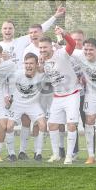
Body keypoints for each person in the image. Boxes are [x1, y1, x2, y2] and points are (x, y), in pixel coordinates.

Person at [38, 28, 82, 164]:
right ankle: (56, 155)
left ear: (51, 46)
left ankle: (69, 156)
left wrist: (64, 34)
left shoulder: (61, 53)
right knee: (51, 125)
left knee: (71, 125)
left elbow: (72, 45)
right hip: (57, 96)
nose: (42, 50)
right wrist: (40, 64)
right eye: (40, 48)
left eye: (45, 47)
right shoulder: (43, 60)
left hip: (72, 94)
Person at [7, 53, 48, 161]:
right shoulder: (17, 74)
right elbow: (4, 83)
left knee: (43, 124)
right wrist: (7, 98)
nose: (28, 66)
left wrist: (43, 66)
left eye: (31, 63)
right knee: (9, 126)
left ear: (36, 64)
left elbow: (53, 69)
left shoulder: (42, 75)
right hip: (17, 104)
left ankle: (38, 153)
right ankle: (11, 153)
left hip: (33, 104)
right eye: (26, 63)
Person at [0, 6, 65, 62]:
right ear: (1, 30)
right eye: (5, 28)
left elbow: (40, 29)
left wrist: (55, 16)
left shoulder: (21, 41)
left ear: (14, 30)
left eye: (10, 28)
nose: (7, 30)